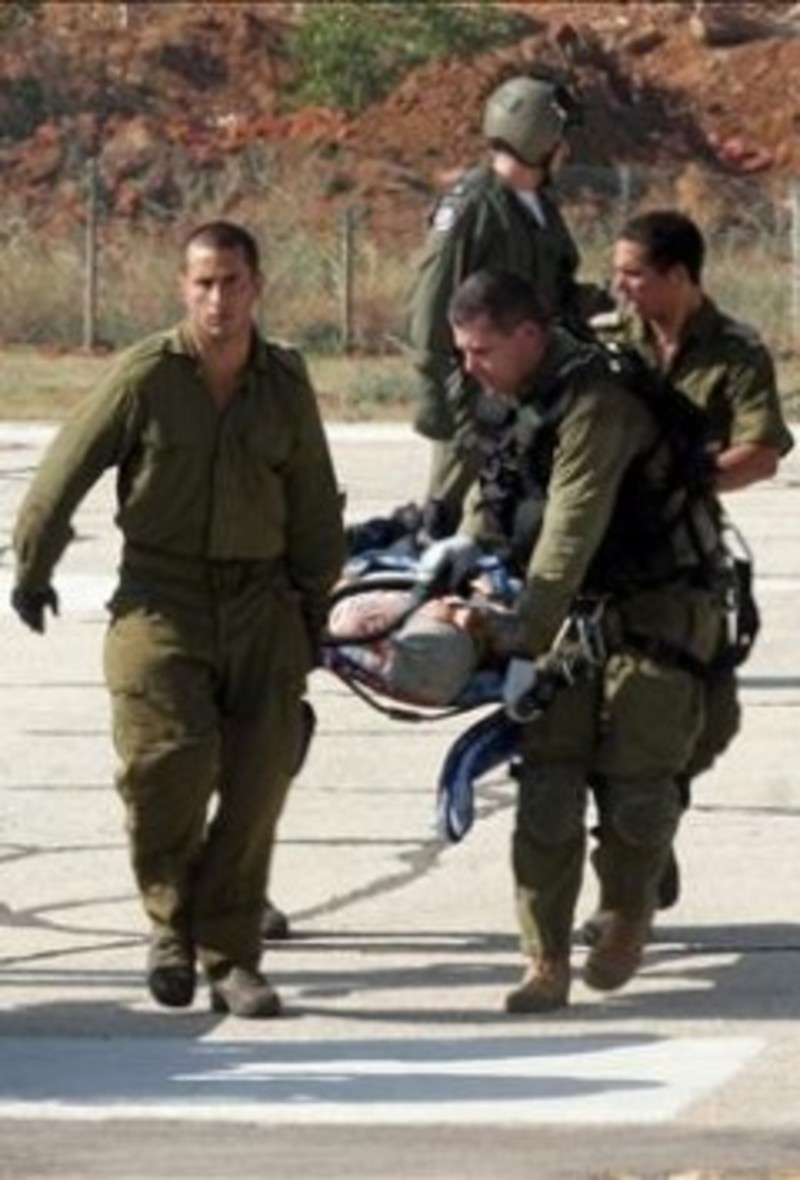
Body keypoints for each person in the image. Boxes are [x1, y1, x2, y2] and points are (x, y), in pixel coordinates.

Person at [10, 220, 347, 1018]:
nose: (217, 299)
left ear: (256, 287)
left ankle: (231, 957)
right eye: (203, 283)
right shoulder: (147, 377)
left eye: (232, 282)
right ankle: (171, 928)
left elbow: (312, 500)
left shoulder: (285, 381)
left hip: (261, 601)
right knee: (169, 764)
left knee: (260, 777)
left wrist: (313, 610)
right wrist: (33, 569)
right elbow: (63, 472)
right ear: (183, 288)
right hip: (162, 599)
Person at [438, 268, 728, 1014]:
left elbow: (569, 529)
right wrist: (462, 559)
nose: (470, 365)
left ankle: (629, 912)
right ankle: (545, 958)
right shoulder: (510, 396)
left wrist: (518, 633)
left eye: (481, 350)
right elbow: (493, 490)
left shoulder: (599, 404)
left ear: (529, 336)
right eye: (462, 351)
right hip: (572, 613)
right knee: (548, 785)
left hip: (659, 614)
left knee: (636, 787)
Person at [587, 208, 794, 923]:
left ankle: (657, 815)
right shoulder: (605, 341)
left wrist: (683, 482)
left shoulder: (736, 351)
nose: (619, 286)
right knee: (605, 723)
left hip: (686, 559)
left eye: (633, 274)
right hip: (604, 559)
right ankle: (626, 869)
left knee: (711, 720)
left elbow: (761, 452)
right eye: (617, 273)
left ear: (678, 277)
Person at [406, 73, 606, 535]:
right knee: (447, 516)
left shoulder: (539, 207)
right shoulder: (473, 207)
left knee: (518, 512)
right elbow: (432, 298)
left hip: (531, 382)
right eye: (560, 137)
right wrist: (436, 389)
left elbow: (552, 290)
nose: (565, 149)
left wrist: (606, 303)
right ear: (538, 139)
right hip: (478, 387)